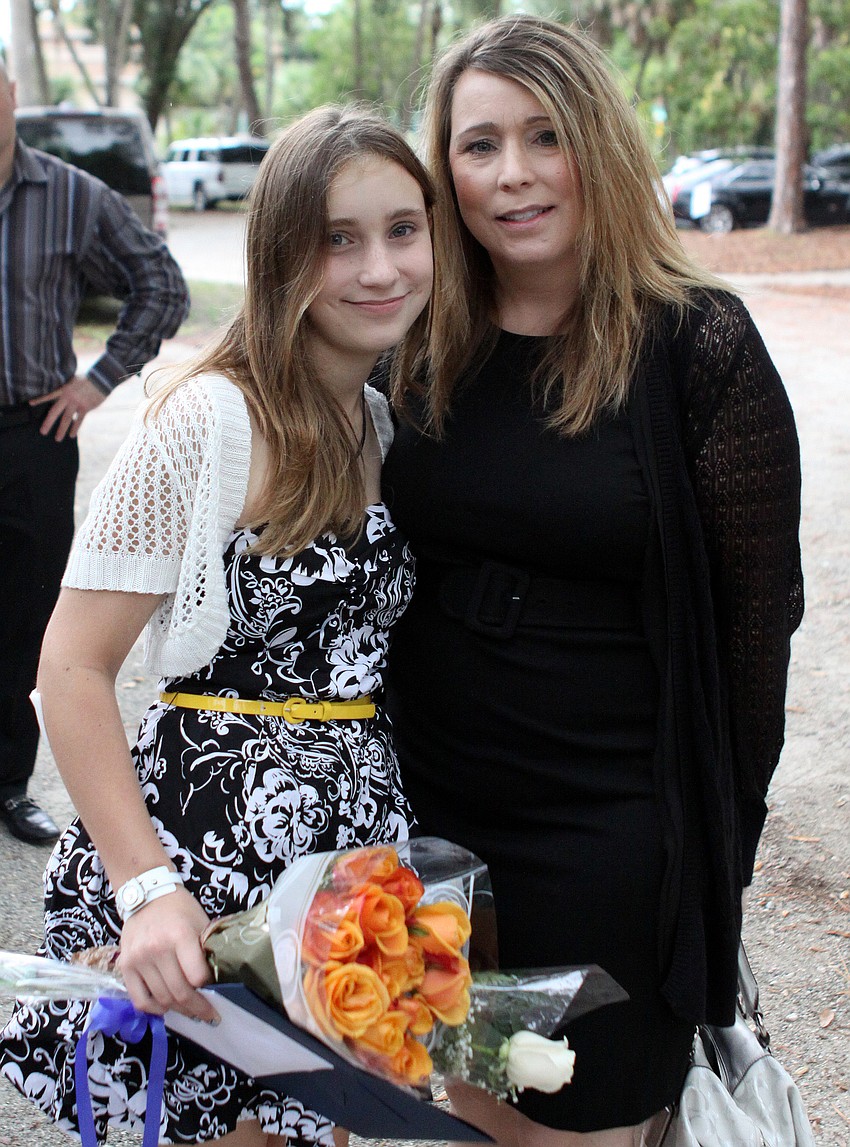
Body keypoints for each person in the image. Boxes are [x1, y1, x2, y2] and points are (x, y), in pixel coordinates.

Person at [381, 15, 803, 1147]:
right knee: (477, 1113)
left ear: (599, 148)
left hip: (611, 834)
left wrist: (716, 859)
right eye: (478, 145)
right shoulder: (417, 335)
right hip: (437, 823)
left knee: (584, 1123)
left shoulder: (696, 343)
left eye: (544, 137)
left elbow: (757, 629)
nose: (511, 173)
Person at [0, 105, 434, 1145]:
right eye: (338, 238)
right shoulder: (208, 419)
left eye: (403, 230)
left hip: (351, 866)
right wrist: (148, 889)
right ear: (280, 253)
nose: (379, 268)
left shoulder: (383, 422)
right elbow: (71, 664)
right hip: (209, 861)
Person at [0, 59, 189, 845]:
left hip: (32, 437)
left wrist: (97, 381)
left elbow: (161, 284)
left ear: (10, 94)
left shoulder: (72, 195)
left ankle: (9, 782)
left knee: (24, 617)